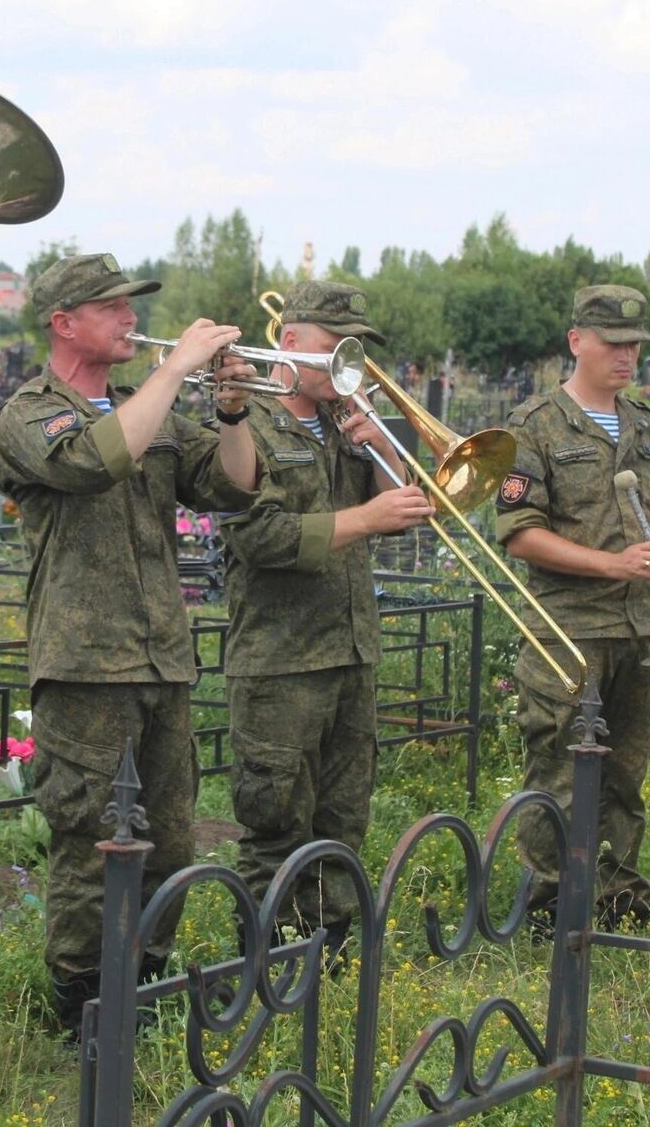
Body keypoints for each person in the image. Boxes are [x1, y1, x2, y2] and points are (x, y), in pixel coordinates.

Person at [0, 253, 260, 1039]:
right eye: (111, 307)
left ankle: (139, 986)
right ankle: (80, 1008)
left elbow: (234, 485)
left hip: (162, 659)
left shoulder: (154, 407)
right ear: (64, 323)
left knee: (169, 839)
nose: (130, 319)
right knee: (92, 840)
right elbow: (97, 460)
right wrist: (175, 371)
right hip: (83, 664)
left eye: (129, 305)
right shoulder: (30, 414)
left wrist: (235, 413)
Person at [493, 285, 650, 934]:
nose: (628, 356)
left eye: (636, 345)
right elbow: (520, 531)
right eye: (615, 343)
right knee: (556, 769)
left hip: (639, 630)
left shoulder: (646, 427)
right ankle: (550, 910)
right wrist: (612, 564)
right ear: (577, 340)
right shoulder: (535, 428)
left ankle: (614, 903)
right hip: (568, 631)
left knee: (626, 774)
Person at [218, 281, 432, 956]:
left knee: (343, 821)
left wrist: (383, 447)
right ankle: (265, 966)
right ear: (288, 342)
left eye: (357, 348)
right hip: (280, 662)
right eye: (334, 346)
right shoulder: (244, 423)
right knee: (275, 823)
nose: (350, 360)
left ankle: (332, 956)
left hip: (349, 654)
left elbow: (406, 512)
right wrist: (365, 518)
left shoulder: (345, 421)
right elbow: (261, 538)